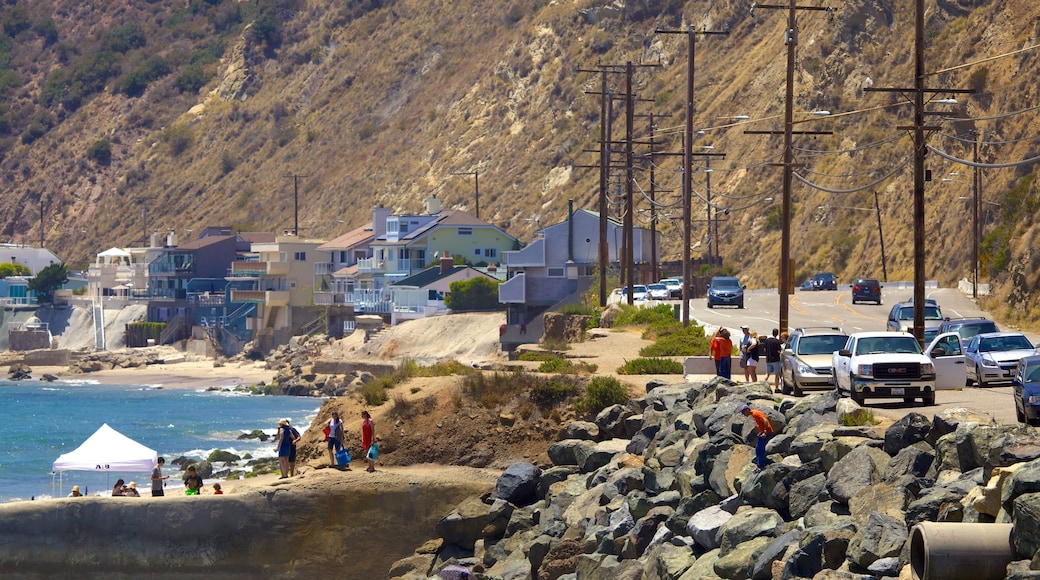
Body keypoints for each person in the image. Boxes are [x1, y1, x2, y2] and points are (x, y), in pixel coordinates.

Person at [740, 404, 774, 471]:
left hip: (767, 432)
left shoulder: (755, 413)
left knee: (759, 449)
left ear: (747, 410)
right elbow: (761, 423)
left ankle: (760, 466)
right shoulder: (755, 413)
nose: (744, 415)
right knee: (759, 448)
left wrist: (764, 432)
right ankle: (762, 463)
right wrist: (761, 431)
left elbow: (765, 420)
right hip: (765, 432)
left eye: (744, 413)